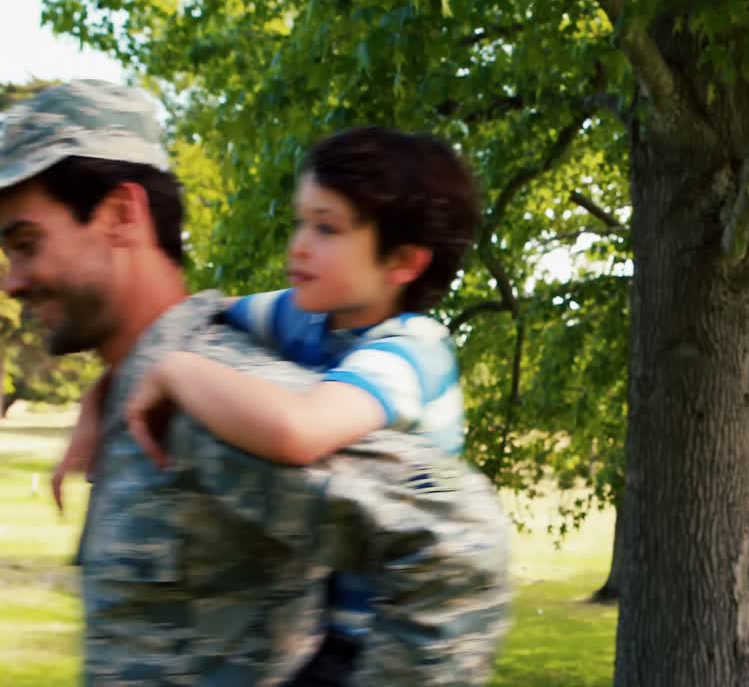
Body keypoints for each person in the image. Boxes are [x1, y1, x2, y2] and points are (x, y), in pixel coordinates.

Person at [0, 79, 510, 685]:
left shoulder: (218, 398)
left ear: (120, 215)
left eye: (25, 244)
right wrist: (105, 393)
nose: (10, 280)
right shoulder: (162, 376)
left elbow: (457, 544)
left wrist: (175, 370)